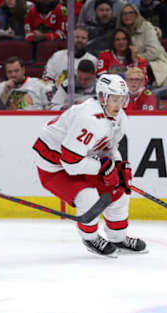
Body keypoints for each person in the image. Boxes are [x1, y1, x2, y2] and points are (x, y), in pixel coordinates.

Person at [32, 73, 147, 257]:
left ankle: (118, 238)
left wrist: (119, 167)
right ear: (102, 97)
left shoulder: (120, 118)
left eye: (122, 99)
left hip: (82, 158)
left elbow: (110, 147)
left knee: (119, 191)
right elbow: (70, 163)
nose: (119, 105)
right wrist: (103, 167)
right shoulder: (88, 118)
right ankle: (91, 238)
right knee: (88, 196)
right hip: (53, 165)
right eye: (114, 99)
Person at [117, 3, 167, 87]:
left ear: (136, 14)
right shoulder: (119, 31)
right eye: (124, 14)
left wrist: (135, 58)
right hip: (128, 63)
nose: (127, 16)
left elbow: (154, 52)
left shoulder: (146, 27)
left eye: (130, 13)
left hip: (155, 61)